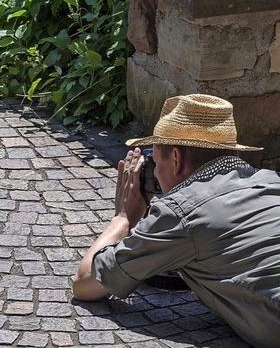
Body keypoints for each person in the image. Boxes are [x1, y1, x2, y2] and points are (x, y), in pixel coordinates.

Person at [72, 94, 280, 348]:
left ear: (176, 158)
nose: (156, 173)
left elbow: (85, 283)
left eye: (156, 163)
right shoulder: (271, 181)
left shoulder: (181, 212)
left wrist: (123, 217)